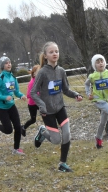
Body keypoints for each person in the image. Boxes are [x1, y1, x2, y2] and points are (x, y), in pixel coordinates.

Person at [30, 41, 83, 172]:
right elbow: (33, 92)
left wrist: (75, 95)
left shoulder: (61, 71)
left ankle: (62, 164)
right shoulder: (42, 73)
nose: (55, 54)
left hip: (60, 108)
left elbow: (66, 90)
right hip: (47, 111)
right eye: (51, 52)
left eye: (57, 51)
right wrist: (42, 105)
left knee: (67, 135)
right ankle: (43, 131)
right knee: (56, 140)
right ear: (46, 56)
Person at [0, 55, 27, 155]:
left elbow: (16, 91)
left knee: (18, 127)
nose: (9, 64)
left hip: (11, 106)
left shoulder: (13, 77)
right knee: (8, 130)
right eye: (6, 63)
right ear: (2, 66)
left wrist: (21, 96)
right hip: (1, 108)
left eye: (9, 62)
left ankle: (16, 149)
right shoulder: (1, 78)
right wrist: (4, 97)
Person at [84, 54, 108, 149]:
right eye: (97, 62)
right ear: (94, 65)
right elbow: (86, 84)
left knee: (103, 121)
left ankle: (98, 139)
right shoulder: (92, 76)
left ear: (104, 62)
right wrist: (88, 93)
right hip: (98, 99)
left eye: (102, 61)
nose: (100, 64)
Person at [20, 65, 41, 137]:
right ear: (34, 73)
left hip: (39, 103)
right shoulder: (32, 82)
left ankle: (50, 129)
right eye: (38, 71)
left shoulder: (40, 80)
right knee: (33, 120)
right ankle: (23, 128)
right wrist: (38, 93)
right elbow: (28, 95)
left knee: (46, 114)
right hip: (32, 105)